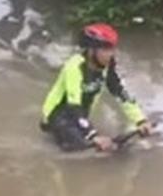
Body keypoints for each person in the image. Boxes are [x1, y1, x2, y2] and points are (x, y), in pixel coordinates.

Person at [40, 23, 154, 152]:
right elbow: (74, 105)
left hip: (80, 116)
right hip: (59, 115)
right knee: (81, 151)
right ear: (91, 50)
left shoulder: (108, 65)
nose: (110, 54)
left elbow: (120, 93)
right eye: (105, 49)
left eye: (112, 49)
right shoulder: (74, 67)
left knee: (111, 148)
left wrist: (140, 120)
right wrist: (93, 135)